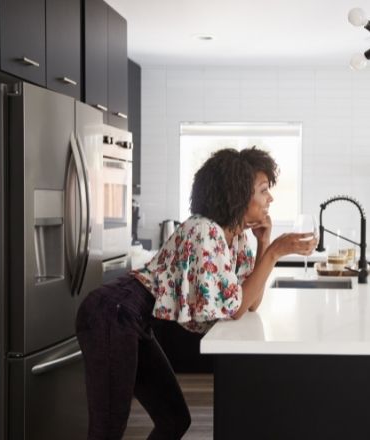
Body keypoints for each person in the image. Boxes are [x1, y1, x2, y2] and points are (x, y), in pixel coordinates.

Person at [76, 147, 317, 440]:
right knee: (107, 430)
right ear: (239, 194)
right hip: (113, 311)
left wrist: (265, 243)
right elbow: (236, 308)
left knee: (175, 420)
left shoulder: (236, 235)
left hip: (135, 318)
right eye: (264, 190)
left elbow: (250, 302)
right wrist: (276, 252)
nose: (271, 198)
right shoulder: (205, 231)